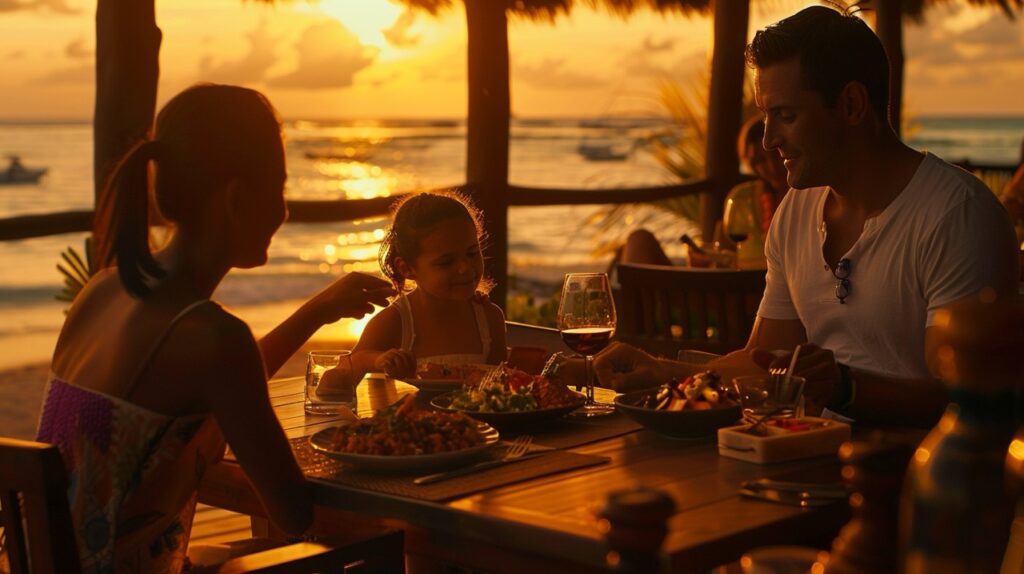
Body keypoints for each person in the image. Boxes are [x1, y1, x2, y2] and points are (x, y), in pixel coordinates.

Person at [583, 6, 1019, 428]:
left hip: (907, 481)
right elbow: (762, 363)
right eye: (765, 116)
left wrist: (845, 388)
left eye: (786, 115)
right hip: (801, 456)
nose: (769, 139)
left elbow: (965, 401)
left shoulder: (956, 216)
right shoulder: (797, 212)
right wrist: (660, 371)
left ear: (851, 104)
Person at [33, 84, 394, 572]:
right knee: (378, 548)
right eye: (280, 189)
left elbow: (217, 388)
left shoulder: (102, 290)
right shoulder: (213, 338)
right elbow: (292, 513)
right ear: (237, 197)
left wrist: (316, 312)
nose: (284, 212)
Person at [327, 191, 507, 385]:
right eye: (446, 262)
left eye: (472, 253)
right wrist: (373, 360)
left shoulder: (489, 319)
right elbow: (328, 387)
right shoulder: (396, 322)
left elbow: (499, 390)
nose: (465, 267)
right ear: (407, 268)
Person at [619, 115, 789, 268]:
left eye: (775, 156)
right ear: (749, 163)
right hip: (734, 291)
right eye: (759, 160)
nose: (771, 167)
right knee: (639, 240)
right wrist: (706, 261)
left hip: (766, 291)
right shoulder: (742, 198)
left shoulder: (808, 198)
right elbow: (723, 261)